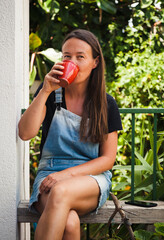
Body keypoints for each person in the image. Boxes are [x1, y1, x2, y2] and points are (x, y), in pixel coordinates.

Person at [18, 29, 122, 240]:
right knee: (70, 223)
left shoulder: (106, 103)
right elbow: (25, 133)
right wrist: (45, 90)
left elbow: (107, 159)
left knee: (61, 191)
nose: (71, 61)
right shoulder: (48, 94)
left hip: (89, 179)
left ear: (95, 62)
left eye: (80, 57)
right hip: (49, 175)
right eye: (66, 56)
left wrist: (66, 175)